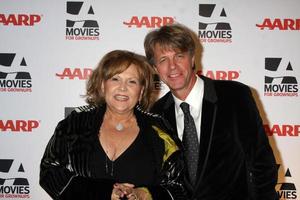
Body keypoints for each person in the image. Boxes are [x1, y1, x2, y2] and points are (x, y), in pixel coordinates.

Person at [144, 23, 278, 199]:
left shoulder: (234, 96)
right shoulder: (157, 113)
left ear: (192, 58)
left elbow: (262, 164)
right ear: (155, 69)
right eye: (163, 60)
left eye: (179, 56)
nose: (172, 66)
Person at [39, 50, 187, 200]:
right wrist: (103, 192)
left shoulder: (160, 130)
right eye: (115, 79)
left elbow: (179, 187)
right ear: (103, 85)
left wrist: (144, 194)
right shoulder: (76, 123)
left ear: (141, 91)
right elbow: (49, 171)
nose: (123, 87)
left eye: (132, 81)